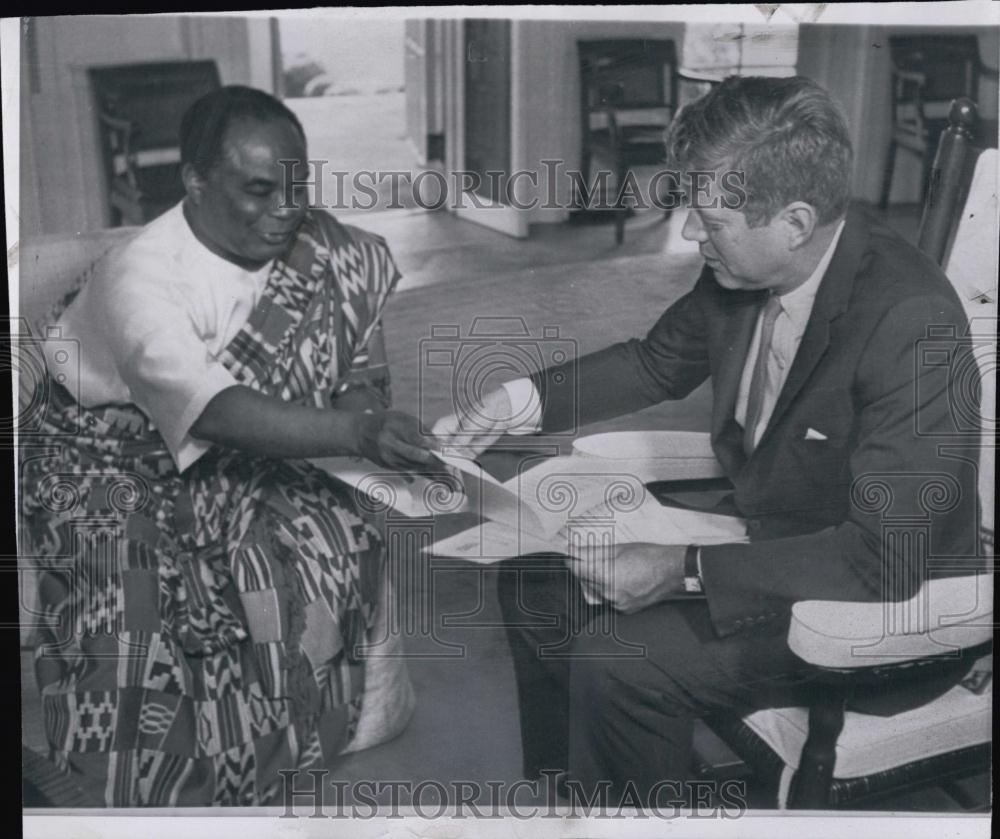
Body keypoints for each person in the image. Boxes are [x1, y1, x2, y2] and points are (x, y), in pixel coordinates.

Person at [433, 76, 983, 803]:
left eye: (709, 219)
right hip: (777, 538)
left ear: (793, 220)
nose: (692, 234)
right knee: (538, 582)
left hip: (867, 601)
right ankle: (582, 800)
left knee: (618, 660)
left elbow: (884, 559)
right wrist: (515, 401)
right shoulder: (746, 267)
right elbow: (656, 361)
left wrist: (683, 566)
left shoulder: (910, 321)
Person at [20, 85, 436, 806]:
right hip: (99, 457)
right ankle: (137, 784)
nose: (287, 207)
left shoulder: (328, 255)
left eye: (297, 185)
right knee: (126, 617)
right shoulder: (140, 279)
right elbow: (213, 410)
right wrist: (357, 433)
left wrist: (365, 413)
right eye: (259, 189)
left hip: (244, 447)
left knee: (325, 546)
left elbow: (356, 375)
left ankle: (286, 744)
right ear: (195, 183)